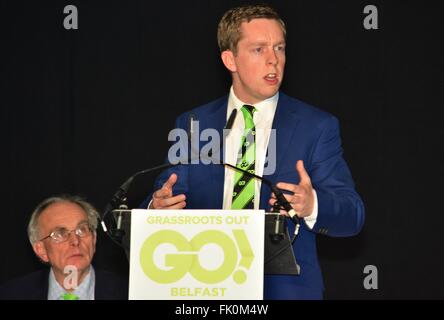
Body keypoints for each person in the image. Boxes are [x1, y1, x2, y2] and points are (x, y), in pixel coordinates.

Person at [141, 4, 365, 299]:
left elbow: (352, 215)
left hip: (284, 289)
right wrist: (155, 209)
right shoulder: (194, 123)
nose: (274, 60)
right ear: (230, 59)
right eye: (259, 49)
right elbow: (164, 195)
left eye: (280, 48)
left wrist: (312, 206)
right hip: (203, 286)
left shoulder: (316, 126)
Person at [0, 195, 128, 300]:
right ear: (41, 250)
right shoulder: (11, 294)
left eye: (82, 229)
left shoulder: (128, 292)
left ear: (94, 239)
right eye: (60, 234)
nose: (75, 241)